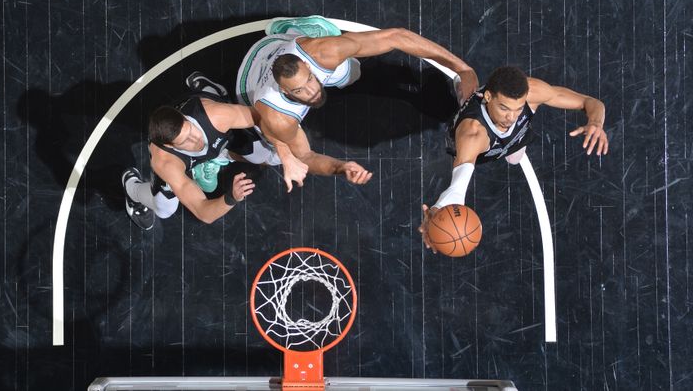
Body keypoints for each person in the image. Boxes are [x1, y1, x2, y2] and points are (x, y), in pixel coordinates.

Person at [236, 15, 478, 185]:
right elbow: (306, 156)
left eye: (310, 80)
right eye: (299, 91)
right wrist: (340, 168)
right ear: (286, 93)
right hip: (249, 78)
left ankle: (296, 31)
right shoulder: (279, 116)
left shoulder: (321, 53)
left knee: (351, 72)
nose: (311, 92)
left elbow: (396, 37)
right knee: (274, 158)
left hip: (278, 46)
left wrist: (462, 68)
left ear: (309, 66)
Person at [419, 65, 609, 250]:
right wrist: (439, 210)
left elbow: (590, 102)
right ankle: (465, 97)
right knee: (467, 94)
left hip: (513, 141)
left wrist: (595, 122)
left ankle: (509, 142)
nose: (511, 117)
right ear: (488, 97)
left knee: (514, 154)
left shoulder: (533, 91)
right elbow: (458, 187)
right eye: (504, 108)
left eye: (518, 109)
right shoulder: (472, 135)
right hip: (479, 149)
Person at [121, 72, 305, 230]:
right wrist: (231, 198)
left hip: (210, 115)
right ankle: (131, 187)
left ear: (185, 118)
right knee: (164, 210)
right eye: (185, 141)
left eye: (190, 130)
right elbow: (203, 212)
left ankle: (208, 90)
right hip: (202, 145)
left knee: (267, 155)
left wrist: (286, 155)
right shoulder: (166, 161)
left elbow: (264, 117)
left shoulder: (214, 115)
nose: (196, 140)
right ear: (170, 146)